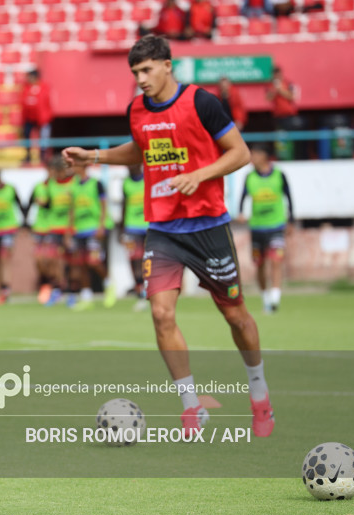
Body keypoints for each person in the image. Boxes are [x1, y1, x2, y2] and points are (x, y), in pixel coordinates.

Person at [63, 35, 274, 439]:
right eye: (135, 73)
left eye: (146, 70)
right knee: (161, 314)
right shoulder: (137, 109)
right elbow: (140, 149)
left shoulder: (201, 103)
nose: (140, 79)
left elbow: (239, 153)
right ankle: (191, 407)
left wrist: (200, 174)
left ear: (166, 65)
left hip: (208, 225)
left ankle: (259, 392)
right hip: (161, 228)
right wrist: (93, 156)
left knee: (236, 315)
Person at [237, 144, 294, 313]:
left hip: (276, 225)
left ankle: (275, 299)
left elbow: (289, 197)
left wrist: (291, 220)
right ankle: (266, 298)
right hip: (257, 227)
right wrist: (240, 213)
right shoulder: (250, 177)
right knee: (259, 264)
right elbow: (243, 197)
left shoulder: (279, 175)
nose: (251, 157)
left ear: (264, 156)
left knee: (276, 261)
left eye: (254, 154)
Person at [68, 162, 115, 310]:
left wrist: (101, 225)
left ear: (82, 167)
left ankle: (109, 285)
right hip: (79, 229)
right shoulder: (73, 186)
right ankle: (86, 296)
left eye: (74, 165)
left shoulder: (96, 184)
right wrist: (69, 230)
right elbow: (72, 208)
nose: (72, 168)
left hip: (94, 228)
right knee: (81, 263)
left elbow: (103, 205)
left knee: (94, 261)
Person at [0, 169, 24, 304]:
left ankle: (6, 288)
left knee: (4, 258)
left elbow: (20, 205)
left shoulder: (10, 189)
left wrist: (24, 223)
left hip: (8, 229)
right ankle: (1, 288)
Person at [42, 156, 76, 306]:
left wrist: (69, 230)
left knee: (72, 262)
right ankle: (58, 289)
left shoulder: (74, 184)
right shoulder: (50, 184)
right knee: (54, 260)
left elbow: (73, 209)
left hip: (70, 228)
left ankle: (72, 292)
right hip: (54, 227)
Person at [120, 164, 149, 311]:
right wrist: (122, 228)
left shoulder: (148, 179)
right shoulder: (126, 183)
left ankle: (152, 291)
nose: (130, 166)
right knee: (135, 260)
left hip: (149, 225)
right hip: (131, 228)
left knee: (150, 260)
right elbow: (124, 205)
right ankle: (140, 293)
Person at [30, 168, 54, 304]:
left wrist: (45, 203)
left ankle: (52, 287)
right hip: (39, 228)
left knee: (51, 260)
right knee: (39, 260)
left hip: (52, 228)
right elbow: (29, 202)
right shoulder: (39, 186)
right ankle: (45, 285)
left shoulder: (57, 186)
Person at [21, 69, 52, 164]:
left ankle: (43, 155)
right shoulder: (26, 87)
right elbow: (24, 100)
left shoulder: (43, 87)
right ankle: (28, 155)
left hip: (42, 118)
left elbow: (43, 102)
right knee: (27, 135)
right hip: (29, 117)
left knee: (44, 136)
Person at [265, 66, 297, 131]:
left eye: (278, 74)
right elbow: (268, 98)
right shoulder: (270, 85)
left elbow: (292, 96)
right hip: (277, 115)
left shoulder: (288, 83)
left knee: (290, 135)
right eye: (275, 75)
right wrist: (274, 90)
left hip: (288, 114)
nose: (277, 76)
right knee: (279, 135)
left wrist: (280, 90)